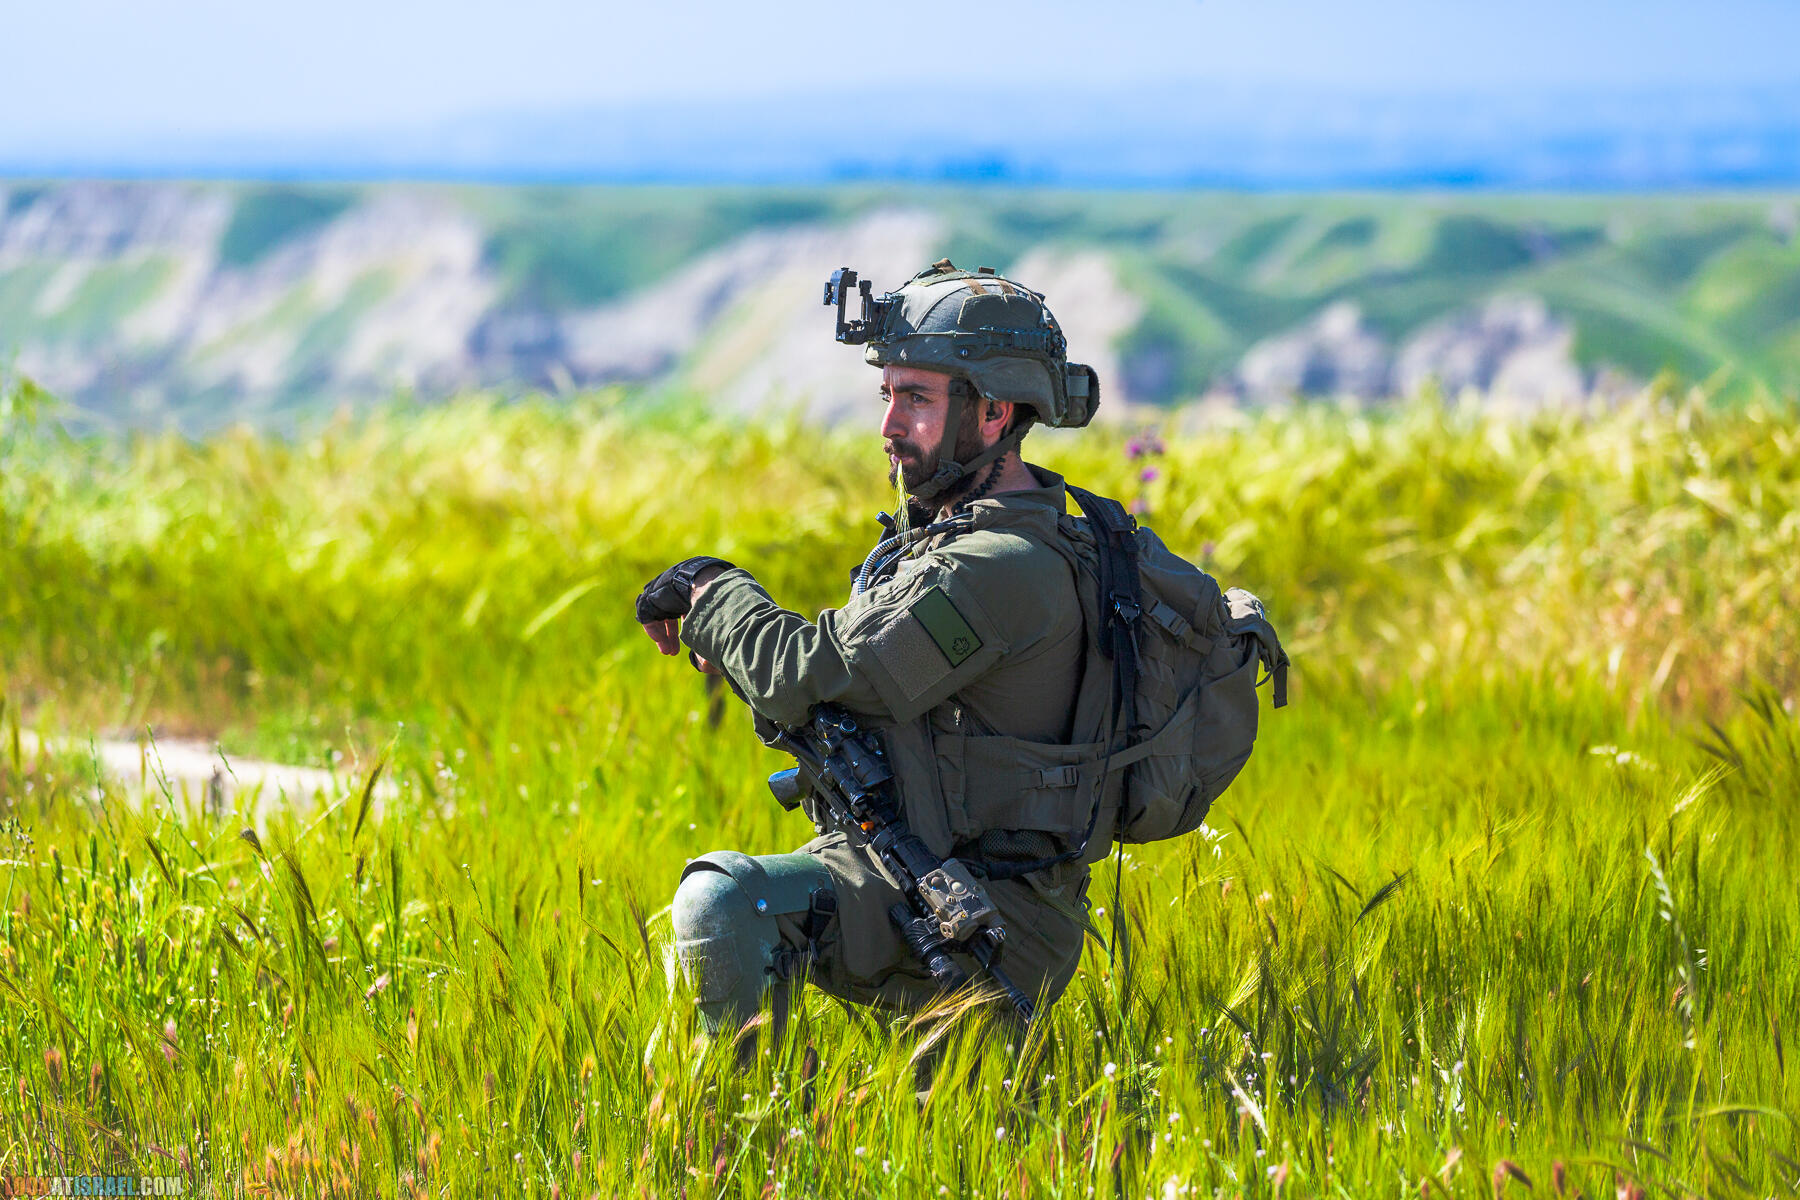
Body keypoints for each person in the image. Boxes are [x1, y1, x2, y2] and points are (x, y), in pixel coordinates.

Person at [637, 259, 1108, 1036]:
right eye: (886, 395)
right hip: (912, 876)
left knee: (722, 902)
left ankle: (720, 1119)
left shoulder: (999, 568)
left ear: (995, 412)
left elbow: (806, 674)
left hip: (985, 922)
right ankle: (767, 1117)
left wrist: (711, 591)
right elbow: (842, 687)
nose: (889, 426)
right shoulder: (955, 537)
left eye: (916, 398)